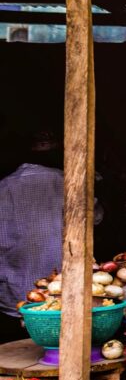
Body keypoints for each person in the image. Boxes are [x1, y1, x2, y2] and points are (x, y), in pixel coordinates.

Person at [0, 132, 64, 344]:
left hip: (14, 294)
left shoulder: (4, 187)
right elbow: (95, 217)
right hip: (60, 294)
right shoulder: (65, 181)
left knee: (19, 353)